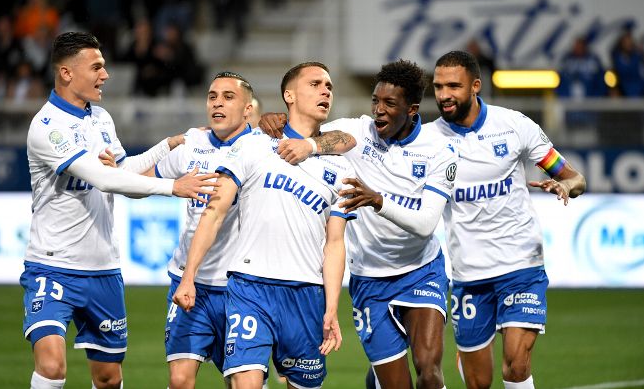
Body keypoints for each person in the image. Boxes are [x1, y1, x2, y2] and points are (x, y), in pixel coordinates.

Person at [22, 31, 214, 389]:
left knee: (108, 378)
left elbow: (123, 174)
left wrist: (166, 145)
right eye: (96, 67)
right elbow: (103, 179)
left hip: (103, 269)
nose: (105, 75)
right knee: (51, 366)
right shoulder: (47, 127)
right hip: (53, 265)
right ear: (66, 73)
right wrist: (173, 186)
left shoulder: (101, 119)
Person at [259, 59, 459, 389]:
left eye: (390, 104)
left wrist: (377, 200)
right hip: (369, 279)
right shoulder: (358, 131)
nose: (379, 111)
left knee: (428, 370)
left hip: (420, 269)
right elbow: (315, 136)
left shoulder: (439, 150)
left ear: (411, 109)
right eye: (376, 102)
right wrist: (277, 122)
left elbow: (425, 224)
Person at [173, 62, 357, 389]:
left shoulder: (340, 166)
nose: (326, 91)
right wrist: (189, 277)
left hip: (306, 295)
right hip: (250, 287)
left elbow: (335, 244)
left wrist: (331, 309)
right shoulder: (254, 145)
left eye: (329, 86)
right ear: (289, 95)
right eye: (315, 84)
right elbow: (213, 212)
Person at [430, 50, 586, 389]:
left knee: (516, 365)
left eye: (453, 86)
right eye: (438, 86)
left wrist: (565, 185)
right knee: (478, 382)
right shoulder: (428, 139)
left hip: (521, 265)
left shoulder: (514, 125)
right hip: (469, 275)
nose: (443, 95)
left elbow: (576, 178)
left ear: (475, 85)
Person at [151, 71, 255, 389]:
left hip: (240, 290)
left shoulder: (264, 150)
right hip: (189, 283)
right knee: (180, 380)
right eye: (212, 96)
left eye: (228, 97)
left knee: (242, 383)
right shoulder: (191, 146)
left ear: (248, 109)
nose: (217, 103)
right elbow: (135, 180)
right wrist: (169, 180)